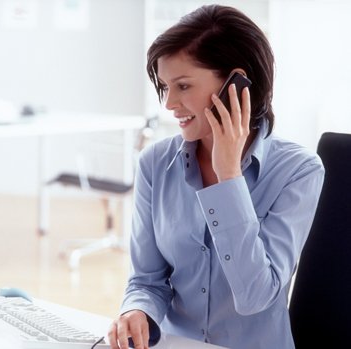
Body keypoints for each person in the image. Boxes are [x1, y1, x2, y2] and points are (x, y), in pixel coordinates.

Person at [107, 4, 325, 349]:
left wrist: (229, 178)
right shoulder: (155, 163)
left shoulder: (299, 171)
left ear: (235, 85)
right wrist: (137, 310)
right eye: (165, 87)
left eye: (183, 85)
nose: (169, 103)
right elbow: (147, 280)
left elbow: (256, 296)